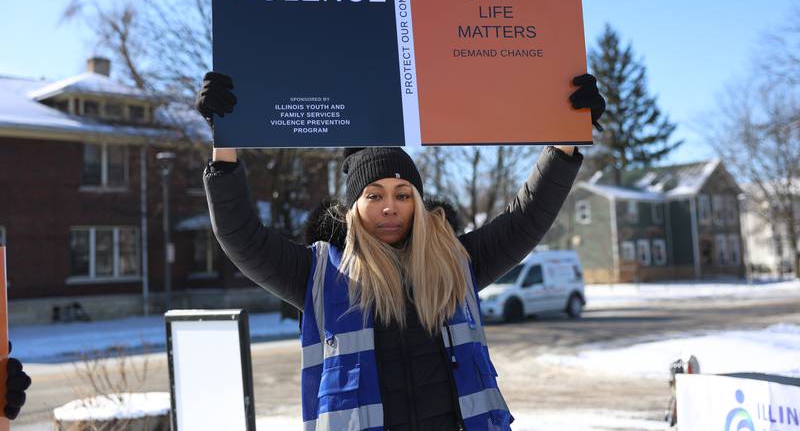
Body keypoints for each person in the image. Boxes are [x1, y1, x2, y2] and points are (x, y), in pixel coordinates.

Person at [196, 72, 605, 431]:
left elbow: (525, 219)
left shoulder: (455, 262)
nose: (390, 206)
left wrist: (565, 138)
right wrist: (225, 143)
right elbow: (240, 235)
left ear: (419, 204)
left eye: (403, 194)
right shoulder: (319, 273)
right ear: (353, 208)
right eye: (374, 195)